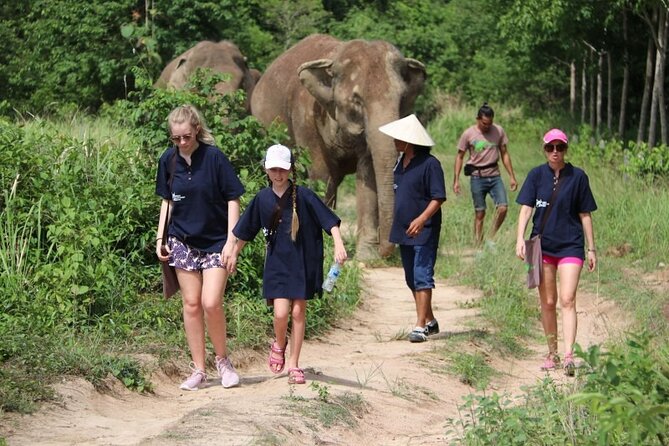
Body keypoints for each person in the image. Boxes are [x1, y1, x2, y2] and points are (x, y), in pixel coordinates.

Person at [229, 144, 348, 384]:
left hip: (302, 262)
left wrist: (338, 243)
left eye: (283, 169)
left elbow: (329, 220)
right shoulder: (262, 198)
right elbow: (246, 230)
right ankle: (279, 343)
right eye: (273, 169)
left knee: (298, 311)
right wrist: (234, 252)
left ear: (291, 169)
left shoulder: (303, 195)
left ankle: (294, 364)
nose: (278, 174)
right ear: (266, 169)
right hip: (277, 264)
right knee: (281, 313)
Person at [155, 105, 244, 391]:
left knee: (210, 302)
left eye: (186, 136)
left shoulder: (214, 157)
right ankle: (199, 369)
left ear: (196, 129)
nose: (182, 142)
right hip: (182, 240)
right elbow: (167, 201)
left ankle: (223, 361)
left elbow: (233, 198)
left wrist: (232, 241)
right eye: (176, 138)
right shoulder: (167, 161)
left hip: (217, 240)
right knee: (191, 304)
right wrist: (160, 239)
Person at [515, 128, 597, 376]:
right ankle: (553, 353)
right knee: (548, 302)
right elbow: (526, 209)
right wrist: (520, 238)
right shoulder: (536, 175)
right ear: (544, 149)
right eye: (551, 147)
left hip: (571, 245)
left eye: (560, 147)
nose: (555, 152)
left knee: (567, 299)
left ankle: (570, 355)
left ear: (565, 149)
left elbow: (585, 214)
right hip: (542, 246)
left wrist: (591, 248)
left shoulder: (578, 177)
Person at [379, 114, 446, 343]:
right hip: (403, 229)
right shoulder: (400, 162)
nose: (394, 141)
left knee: (422, 275)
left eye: (398, 138)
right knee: (410, 278)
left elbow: (438, 197)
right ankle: (429, 320)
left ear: (410, 141)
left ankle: (420, 327)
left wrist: (421, 219)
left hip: (424, 229)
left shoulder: (430, 165)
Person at [454, 103, 518, 245]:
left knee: (502, 208)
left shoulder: (499, 131)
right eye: (484, 123)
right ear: (478, 119)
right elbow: (459, 156)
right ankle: (478, 242)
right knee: (480, 212)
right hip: (477, 176)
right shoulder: (469, 134)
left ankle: (490, 237)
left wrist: (512, 176)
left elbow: (505, 154)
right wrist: (456, 180)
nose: (487, 127)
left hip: (495, 175)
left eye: (490, 123)